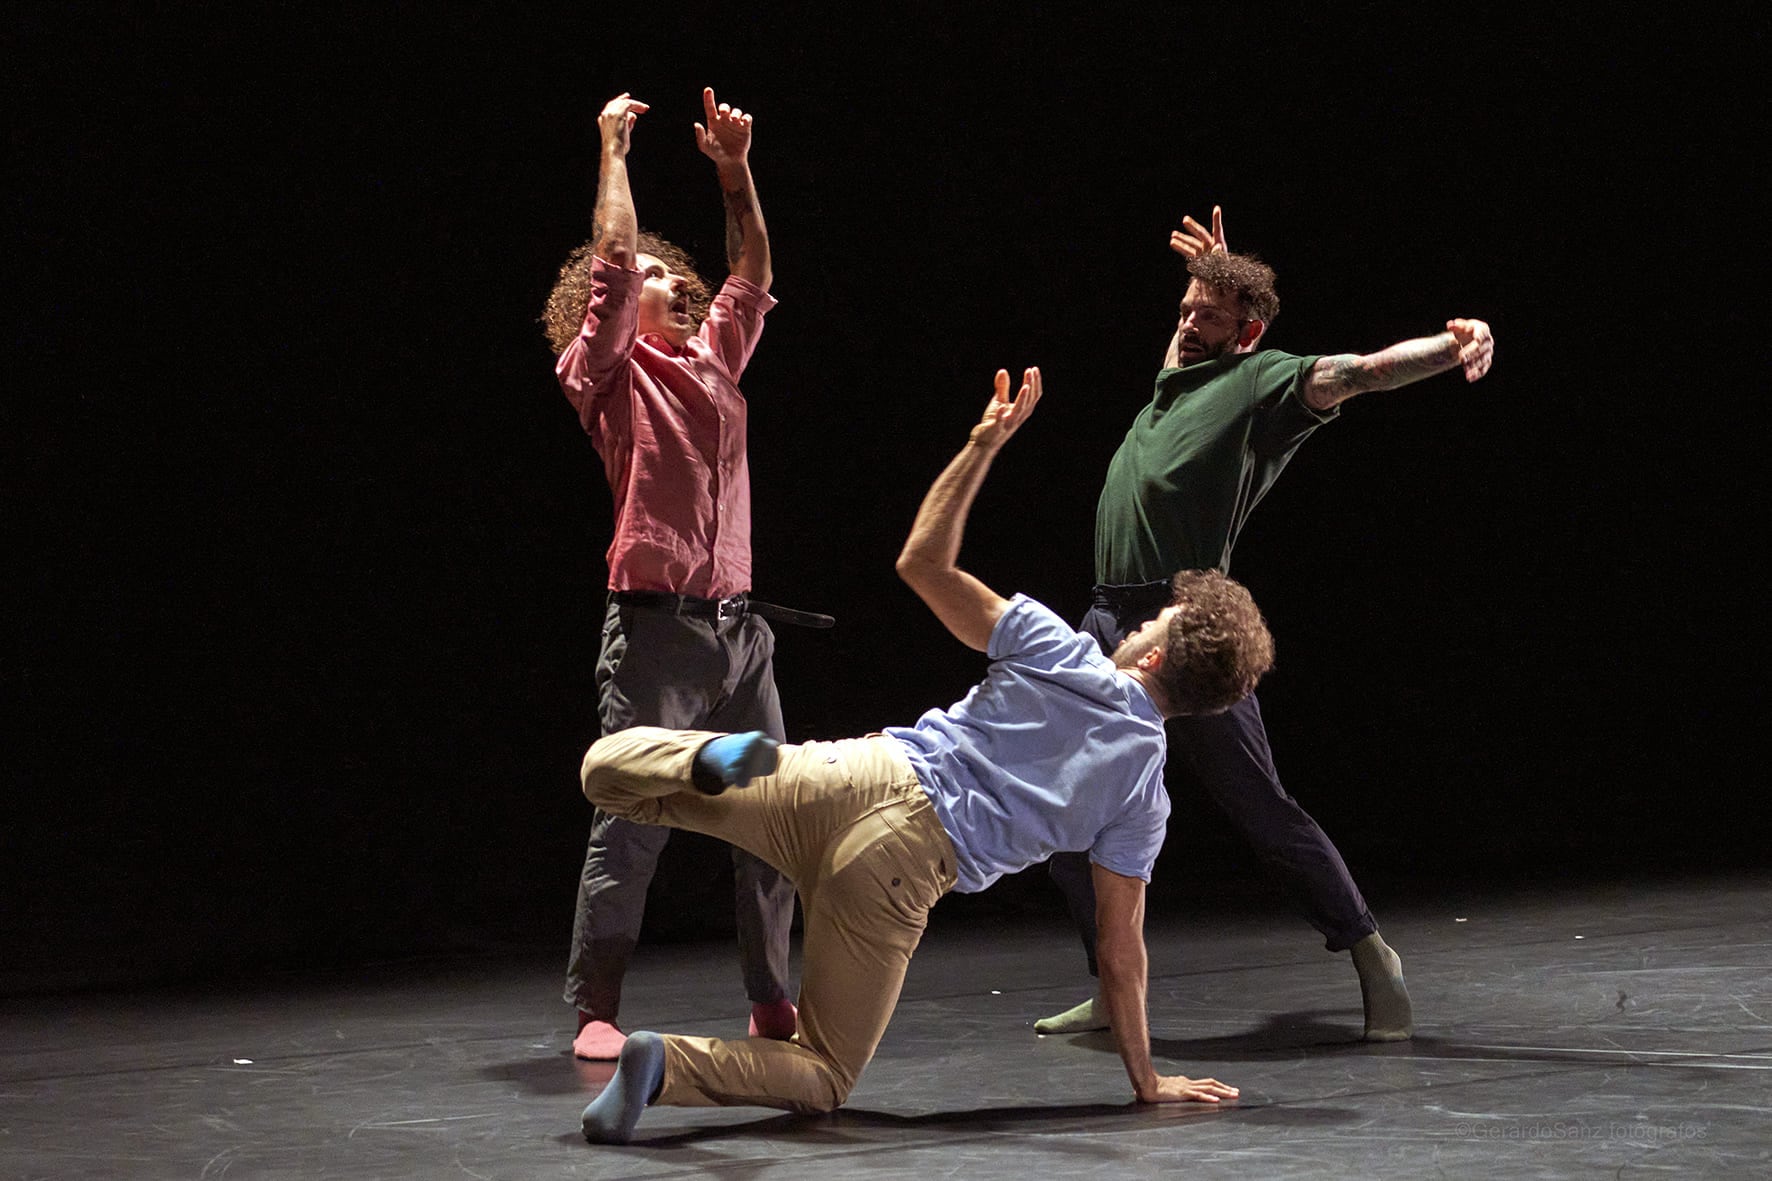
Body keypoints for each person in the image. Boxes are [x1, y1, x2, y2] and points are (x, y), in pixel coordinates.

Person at [576, 368, 1272, 1144]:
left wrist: (980, 446)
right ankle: (661, 1064)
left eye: (1155, 620)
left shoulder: (1060, 649)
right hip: (900, 871)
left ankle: (708, 761)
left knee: (607, 773)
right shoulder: (1143, 797)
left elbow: (923, 563)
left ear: (1152, 655)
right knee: (824, 1074)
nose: (1139, 623)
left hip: (850, 773)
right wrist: (1147, 1080)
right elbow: (1120, 951)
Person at [1037, 207, 1495, 1042]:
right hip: (1105, 621)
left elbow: (1358, 373)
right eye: (1182, 309)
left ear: (1244, 334)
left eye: (1205, 317)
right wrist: (1213, 269)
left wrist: (1453, 344)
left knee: (1256, 801)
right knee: (1065, 806)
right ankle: (1111, 986)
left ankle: (1369, 951)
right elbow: (1186, 329)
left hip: (1183, 623)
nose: (1184, 323)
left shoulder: (1260, 385)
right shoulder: (1169, 387)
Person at [541, 89, 819, 1061]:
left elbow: (752, 267)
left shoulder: (711, 363)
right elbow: (612, 258)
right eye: (644, 270)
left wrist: (733, 172)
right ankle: (596, 1008)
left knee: (772, 818)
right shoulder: (604, 374)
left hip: (740, 632)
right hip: (655, 628)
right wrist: (613, 147)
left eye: (666, 265)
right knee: (634, 816)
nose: (657, 272)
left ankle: (773, 998)